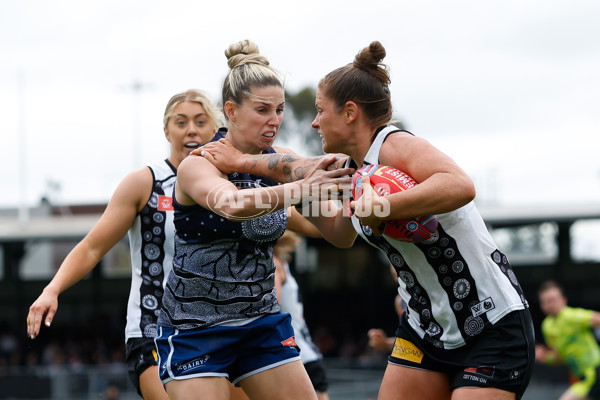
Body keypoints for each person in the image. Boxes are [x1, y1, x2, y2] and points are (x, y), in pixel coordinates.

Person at [197, 40, 535, 400]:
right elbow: (339, 232)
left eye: (320, 111)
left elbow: (460, 185)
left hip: (491, 324)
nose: (313, 122)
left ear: (350, 113)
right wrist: (246, 164)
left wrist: (384, 209)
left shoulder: (393, 144)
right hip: (424, 328)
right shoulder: (350, 169)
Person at [154, 39, 353, 400]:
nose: (274, 120)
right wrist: (304, 187)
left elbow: (338, 234)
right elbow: (231, 204)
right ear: (231, 110)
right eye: (262, 110)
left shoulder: (283, 160)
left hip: (261, 324)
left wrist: (365, 205)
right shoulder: (199, 162)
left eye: (279, 110)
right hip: (195, 330)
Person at [26, 89, 224, 400]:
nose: (191, 130)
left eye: (200, 121)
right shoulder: (145, 182)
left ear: (215, 129)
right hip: (154, 330)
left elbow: (289, 218)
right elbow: (93, 246)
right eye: (181, 121)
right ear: (166, 130)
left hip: (219, 330)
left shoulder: (229, 185)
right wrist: (52, 289)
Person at [273, 230, 330, 400]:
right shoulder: (283, 264)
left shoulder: (273, 264)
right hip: (307, 352)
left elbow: (272, 304)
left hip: (295, 354)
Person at [536, 280, 600, 400]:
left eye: (552, 300)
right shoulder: (547, 326)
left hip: (595, 372)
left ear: (563, 300)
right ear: (542, 305)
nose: (550, 304)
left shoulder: (571, 316)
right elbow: (559, 357)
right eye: (545, 301)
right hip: (582, 378)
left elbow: (598, 318)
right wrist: (544, 357)